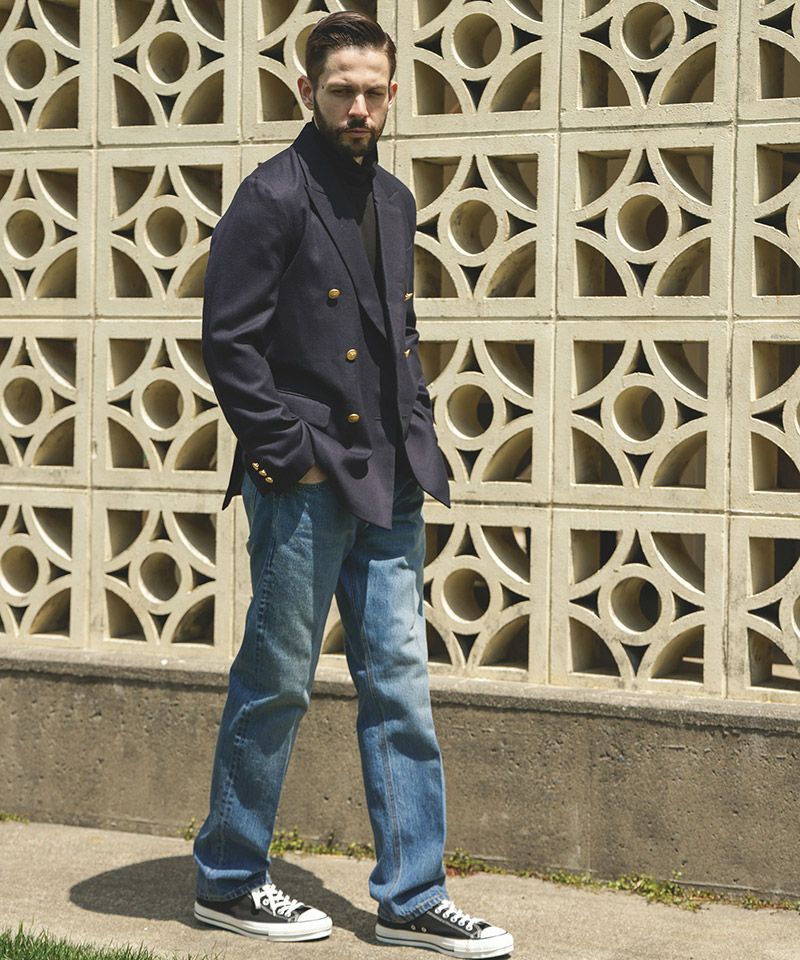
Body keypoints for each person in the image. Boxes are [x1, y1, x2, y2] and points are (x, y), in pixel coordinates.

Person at [192, 12, 514, 959]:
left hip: (389, 477)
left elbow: (394, 332)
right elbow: (229, 343)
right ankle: (228, 878)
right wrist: (286, 452)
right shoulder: (270, 197)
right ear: (308, 92)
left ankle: (411, 897)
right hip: (306, 483)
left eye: (374, 91)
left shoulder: (396, 199)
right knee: (277, 682)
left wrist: (419, 428)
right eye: (342, 91)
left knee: (401, 690)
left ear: (393, 93)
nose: (359, 106)